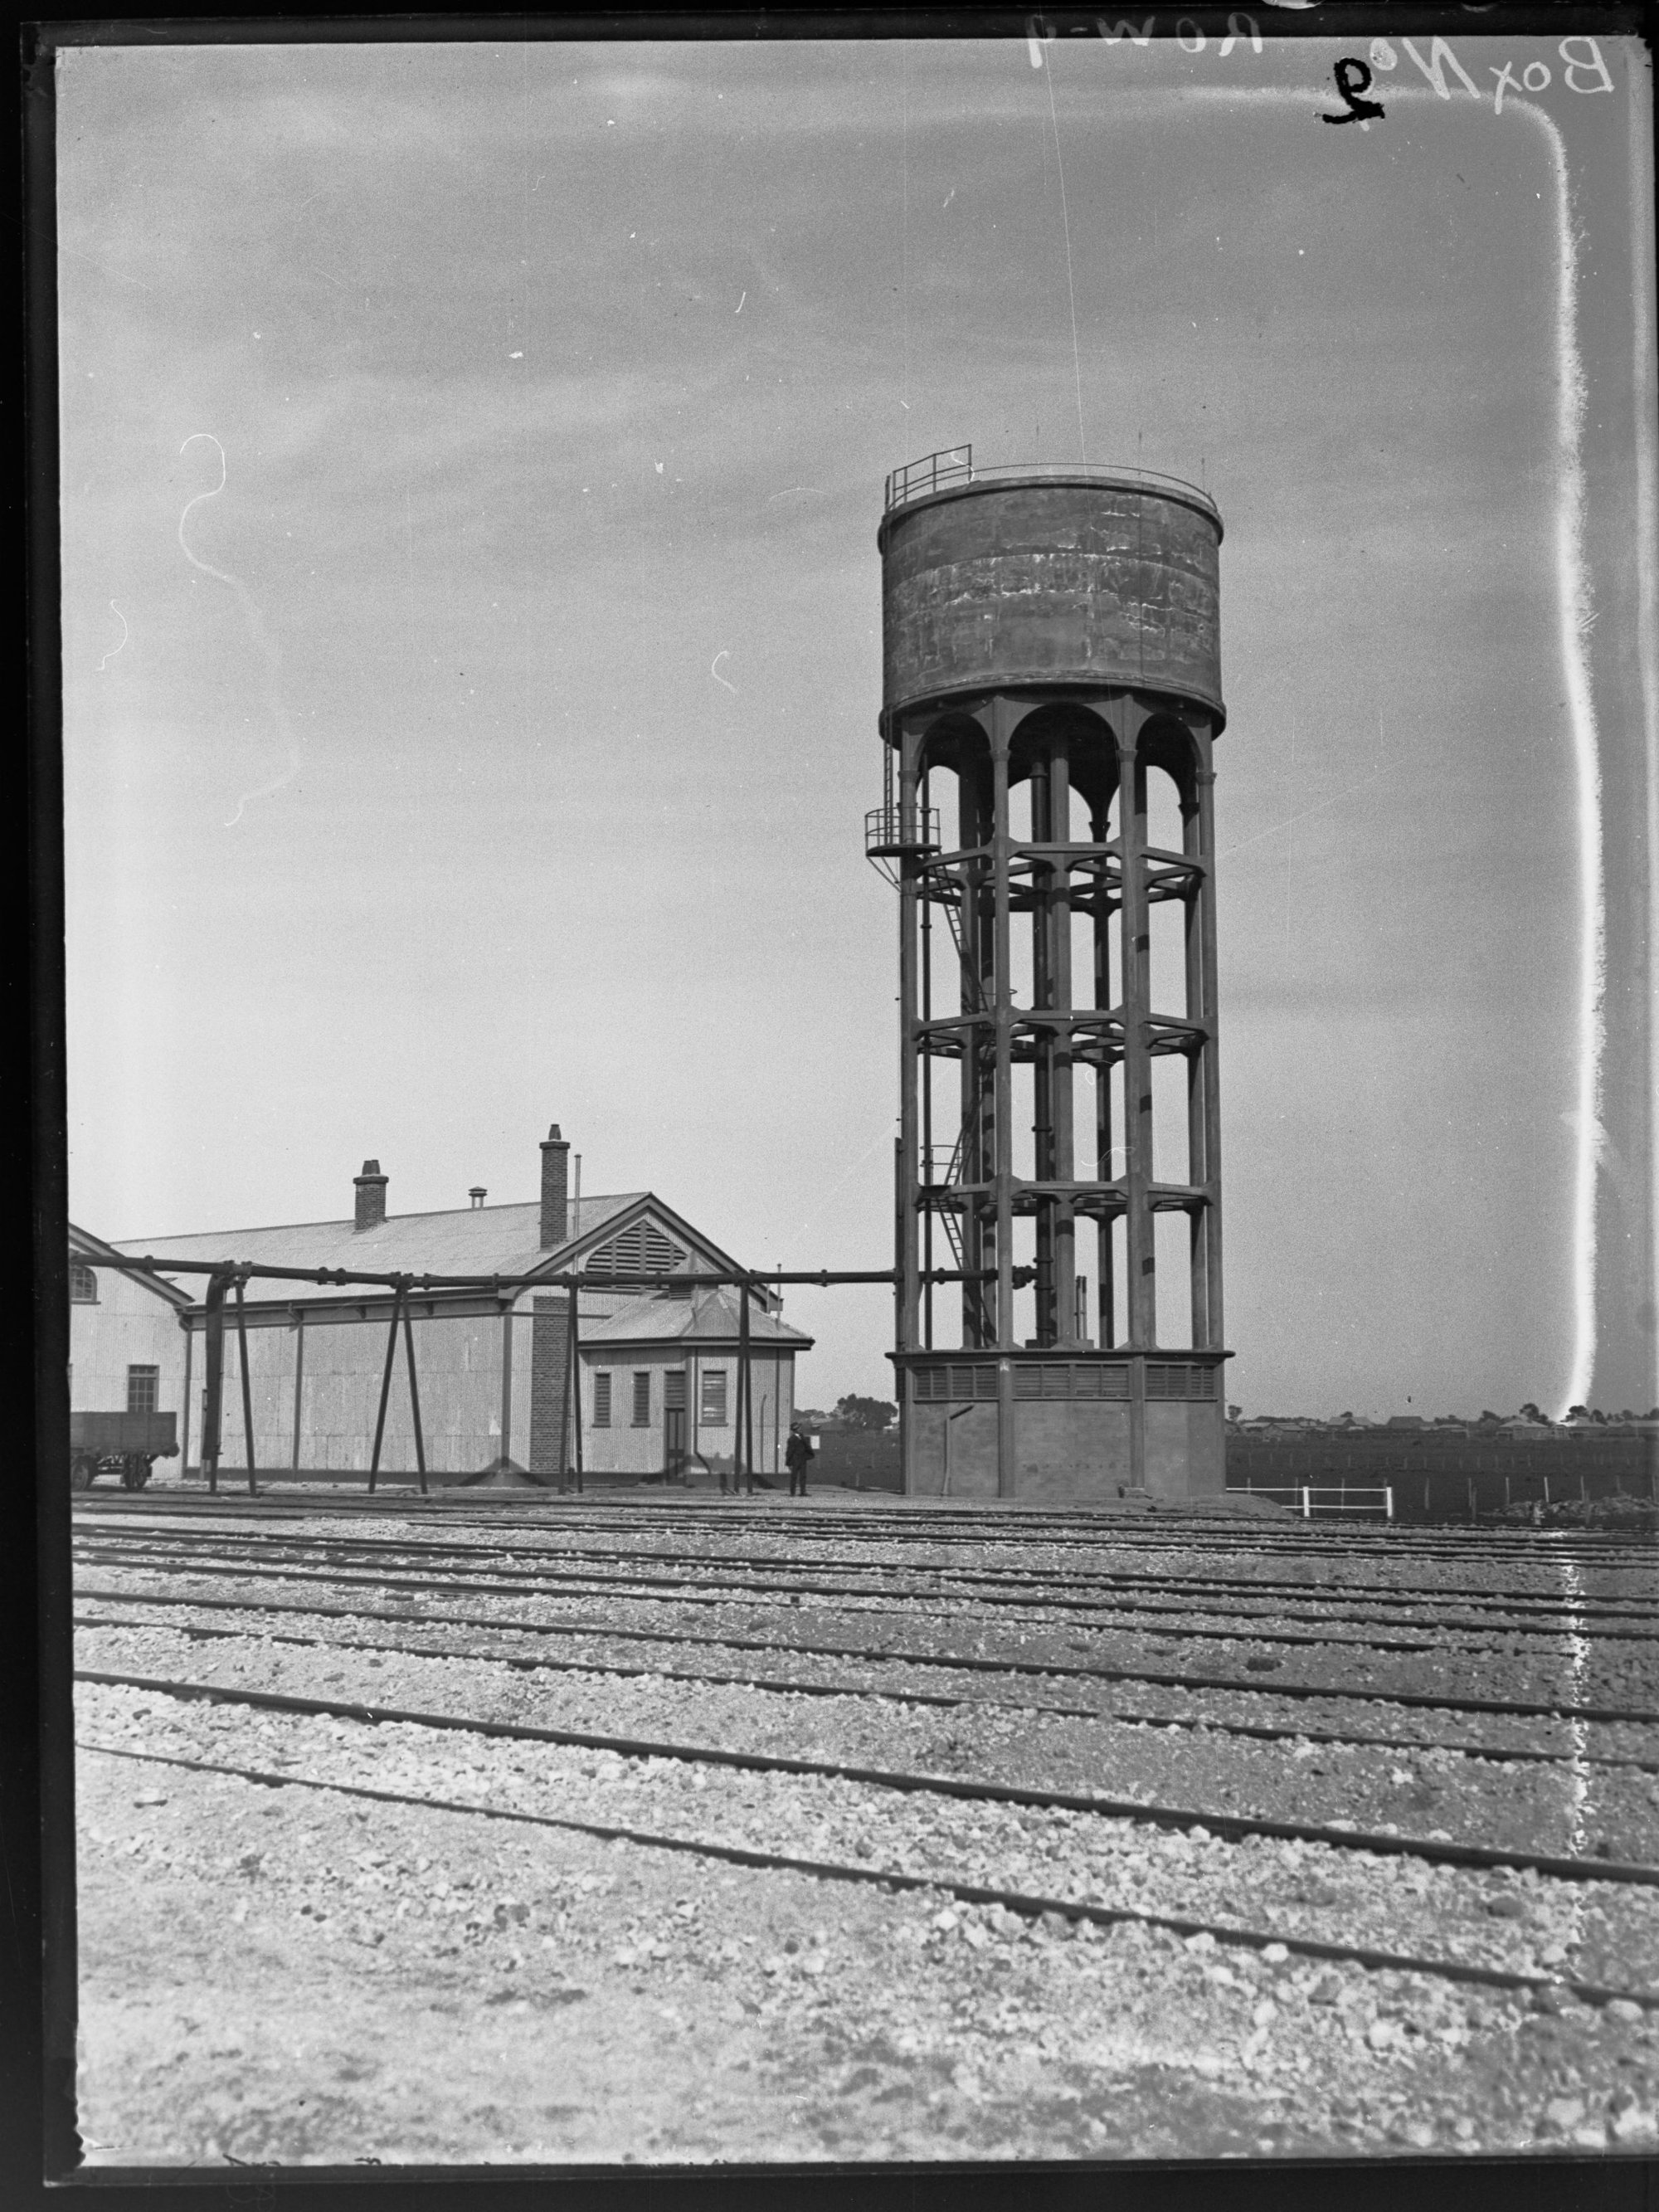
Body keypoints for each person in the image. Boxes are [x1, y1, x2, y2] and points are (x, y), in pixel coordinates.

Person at [785, 1425, 813, 1499]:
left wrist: (809, 1455)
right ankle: (792, 1493)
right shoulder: (791, 1439)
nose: (800, 1429)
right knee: (794, 1477)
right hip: (795, 1461)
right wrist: (789, 1463)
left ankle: (803, 1492)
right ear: (795, 1430)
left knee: (803, 1476)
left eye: (800, 1428)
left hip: (803, 1460)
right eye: (798, 1428)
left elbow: (807, 1447)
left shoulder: (802, 1437)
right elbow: (789, 1451)